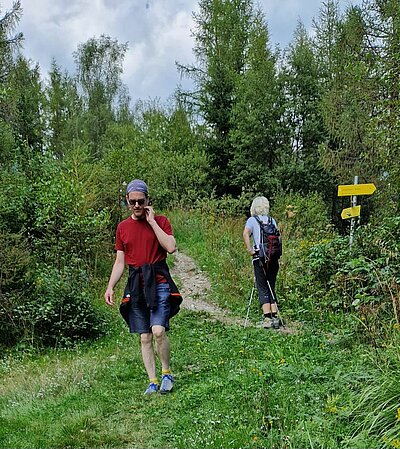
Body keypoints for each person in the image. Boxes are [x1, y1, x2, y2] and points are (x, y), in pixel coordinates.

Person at [104, 179, 182, 395]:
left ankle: (166, 373)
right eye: (132, 202)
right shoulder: (122, 228)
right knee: (145, 336)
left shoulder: (162, 221)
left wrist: (153, 222)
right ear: (127, 202)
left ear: (148, 200)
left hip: (159, 281)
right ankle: (152, 380)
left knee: (158, 331)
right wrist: (110, 287)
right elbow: (120, 262)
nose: (137, 205)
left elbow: (171, 247)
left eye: (141, 201)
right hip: (136, 284)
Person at [242, 196, 281, 329]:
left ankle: (267, 318)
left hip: (260, 257)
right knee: (271, 284)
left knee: (262, 285)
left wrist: (250, 249)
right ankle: (275, 316)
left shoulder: (252, 220)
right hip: (274, 258)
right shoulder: (272, 220)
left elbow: (246, 233)